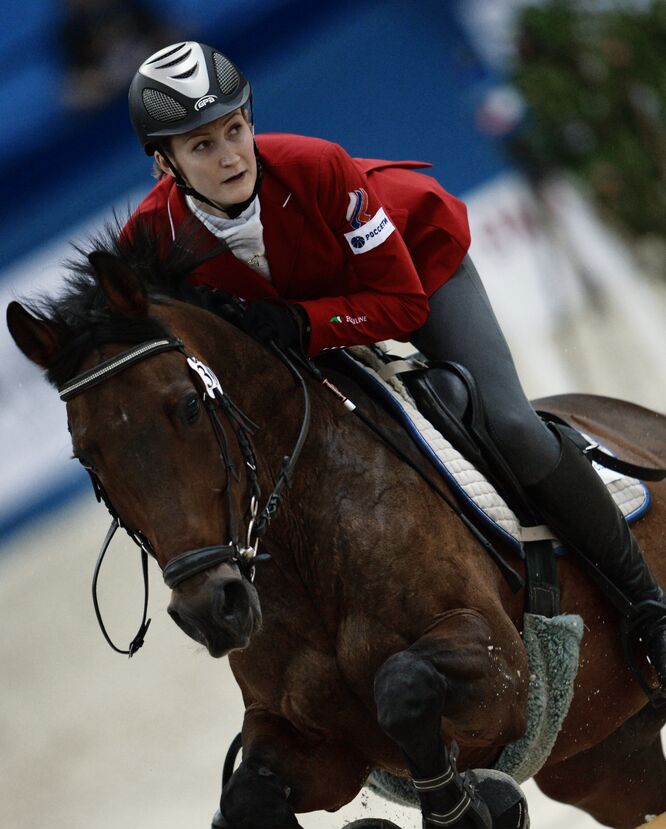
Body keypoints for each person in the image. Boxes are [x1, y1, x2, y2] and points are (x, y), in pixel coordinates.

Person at [125, 41, 666, 687]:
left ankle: (647, 605)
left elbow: (402, 305)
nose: (231, 155)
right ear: (165, 163)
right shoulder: (148, 241)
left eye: (235, 130)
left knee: (510, 426)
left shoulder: (318, 167)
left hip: (417, 269)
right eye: (201, 146)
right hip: (303, 332)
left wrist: (305, 321)